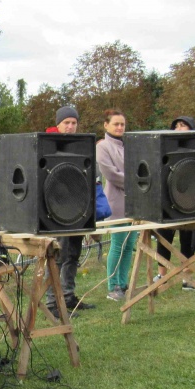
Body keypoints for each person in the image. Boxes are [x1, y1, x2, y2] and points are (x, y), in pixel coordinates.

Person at [44, 105, 95, 316]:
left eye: (74, 123)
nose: (71, 127)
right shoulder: (47, 144)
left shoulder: (80, 144)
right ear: (58, 124)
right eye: (67, 123)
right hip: (56, 209)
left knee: (73, 253)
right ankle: (52, 303)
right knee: (57, 256)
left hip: (77, 208)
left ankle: (68, 296)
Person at [156, 116, 195, 288]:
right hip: (168, 198)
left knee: (187, 238)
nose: (180, 128)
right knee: (164, 236)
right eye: (177, 126)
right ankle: (161, 275)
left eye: (184, 125)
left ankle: (187, 278)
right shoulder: (164, 146)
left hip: (189, 199)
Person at [96, 109, 131, 300]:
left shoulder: (128, 145)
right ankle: (113, 285)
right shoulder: (102, 147)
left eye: (122, 124)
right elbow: (110, 174)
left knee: (129, 245)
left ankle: (124, 284)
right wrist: (134, 181)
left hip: (133, 203)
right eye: (116, 124)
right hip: (116, 203)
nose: (119, 127)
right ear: (106, 125)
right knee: (118, 245)